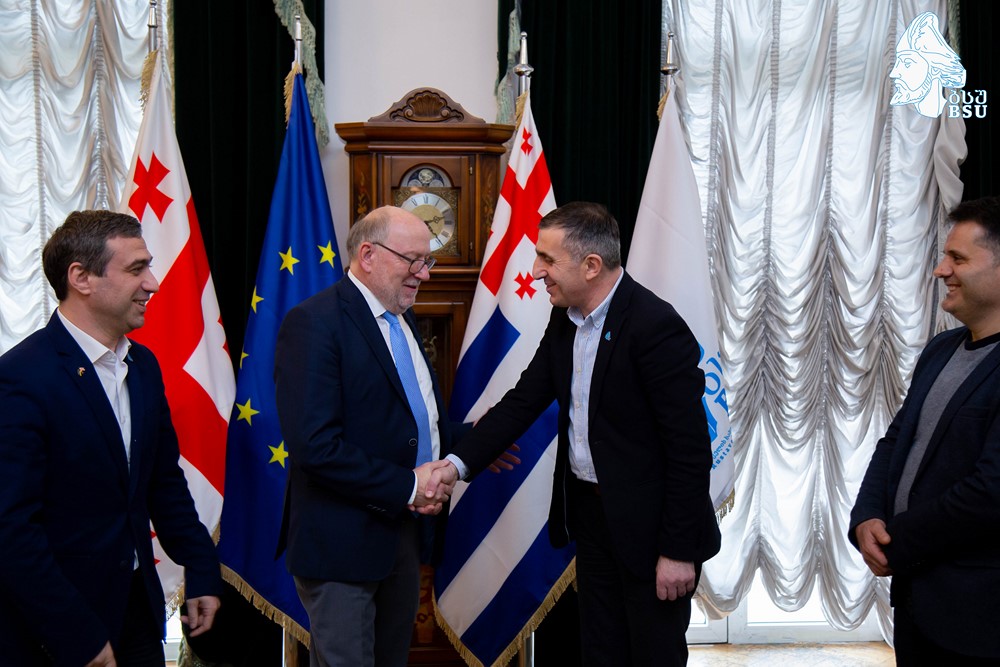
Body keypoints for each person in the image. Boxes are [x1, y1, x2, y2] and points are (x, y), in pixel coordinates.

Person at [429, 201, 721, 666]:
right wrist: (454, 466)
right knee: (601, 653)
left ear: (591, 265)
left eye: (547, 258)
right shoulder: (564, 321)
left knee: (653, 656)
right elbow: (522, 402)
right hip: (592, 518)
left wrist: (678, 551)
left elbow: (689, 452)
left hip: (653, 530)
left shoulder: (655, 326)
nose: (536, 271)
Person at [0, 210, 222, 666]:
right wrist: (75, 634)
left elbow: (163, 481)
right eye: (137, 269)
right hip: (57, 629)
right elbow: (12, 530)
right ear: (81, 278)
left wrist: (200, 566)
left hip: (137, 613)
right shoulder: (20, 377)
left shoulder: (143, 366)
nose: (153, 284)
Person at [274, 206, 459, 667]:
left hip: (400, 540)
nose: (424, 274)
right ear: (368, 255)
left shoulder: (402, 318)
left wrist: (478, 439)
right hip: (341, 549)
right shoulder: (315, 322)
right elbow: (316, 447)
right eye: (413, 260)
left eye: (428, 261)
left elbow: (407, 426)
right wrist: (410, 486)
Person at [850, 197, 1000, 663]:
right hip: (917, 606)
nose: (941, 270)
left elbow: (990, 491)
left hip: (979, 620)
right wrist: (865, 518)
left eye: (958, 258)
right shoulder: (941, 349)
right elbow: (896, 442)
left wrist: (897, 543)